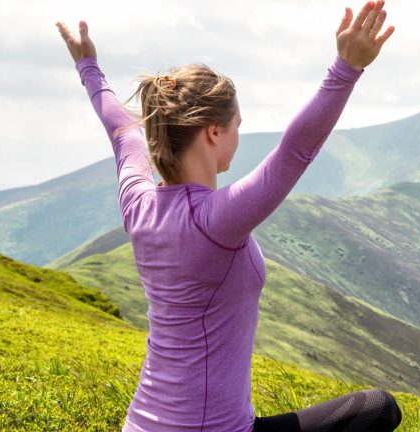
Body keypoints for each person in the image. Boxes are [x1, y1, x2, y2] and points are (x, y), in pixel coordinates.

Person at [56, 2, 400, 431]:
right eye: (237, 124)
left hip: (139, 425)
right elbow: (295, 150)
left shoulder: (137, 203)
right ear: (214, 132)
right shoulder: (215, 222)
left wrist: (88, 66)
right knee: (378, 408)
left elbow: (122, 131)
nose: (240, 134)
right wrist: (346, 69)